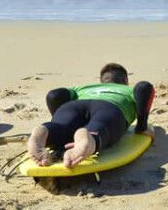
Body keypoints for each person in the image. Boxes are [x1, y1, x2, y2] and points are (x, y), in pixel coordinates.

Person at [27, 63, 155, 167]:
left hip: (74, 105)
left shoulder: (83, 88)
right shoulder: (127, 90)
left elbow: (54, 95)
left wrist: (64, 134)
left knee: (61, 126)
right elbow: (144, 88)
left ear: (101, 81)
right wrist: (142, 126)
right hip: (109, 107)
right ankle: (88, 138)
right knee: (98, 128)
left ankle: (47, 130)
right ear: (125, 80)